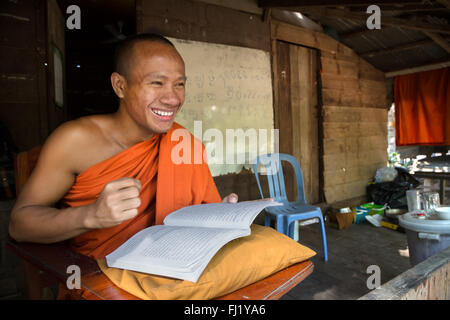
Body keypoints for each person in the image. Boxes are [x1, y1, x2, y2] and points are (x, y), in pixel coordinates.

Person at [9, 33, 238, 260]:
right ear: (120, 86)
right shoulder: (75, 141)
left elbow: (193, 216)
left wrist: (216, 216)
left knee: (267, 248)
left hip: (177, 265)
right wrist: (90, 216)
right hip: (104, 280)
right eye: (156, 83)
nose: (173, 99)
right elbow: (20, 224)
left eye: (179, 84)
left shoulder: (182, 142)